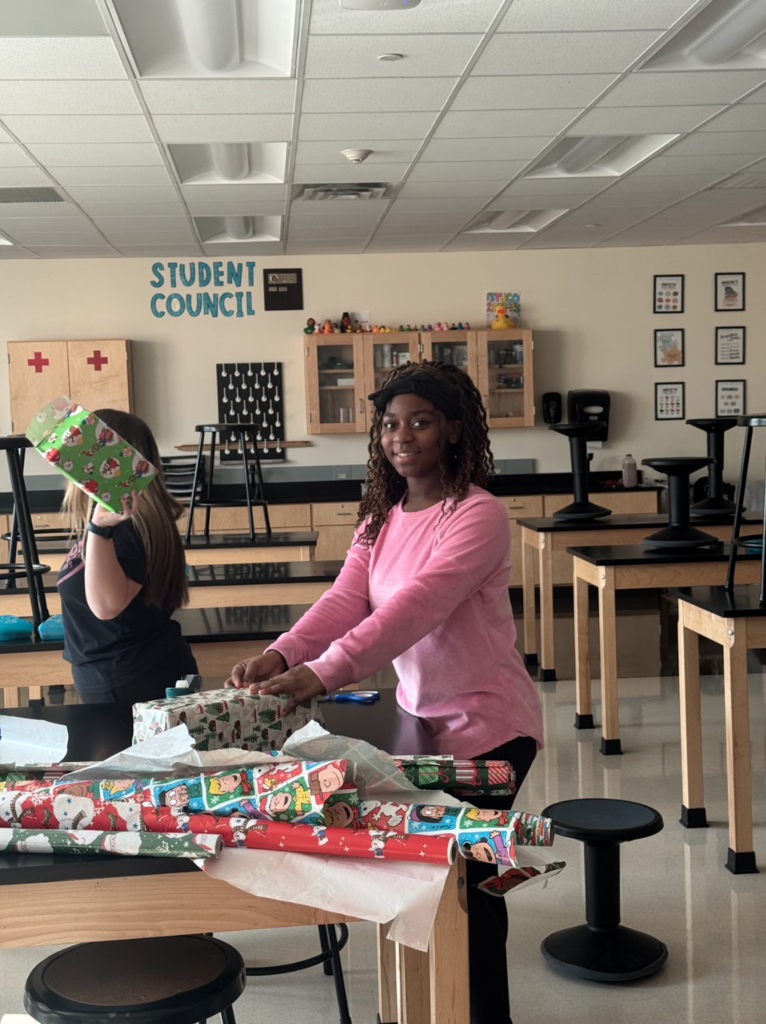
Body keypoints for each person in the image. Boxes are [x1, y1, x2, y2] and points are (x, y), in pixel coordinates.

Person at [226, 360, 543, 1024]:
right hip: (422, 722)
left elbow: (416, 609)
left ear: (454, 431)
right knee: (441, 875)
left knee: (465, 886)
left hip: (492, 729)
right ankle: (430, 1007)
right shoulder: (381, 518)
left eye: (420, 422)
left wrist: (320, 674)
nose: (402, 436)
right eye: (391, 424)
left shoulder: (478, 514)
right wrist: (283, 653)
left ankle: (481, 1014)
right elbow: (347, 600)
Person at [58, 409, 197, 704]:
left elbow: (106, 606)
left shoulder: (125, 528)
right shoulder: (128, 524)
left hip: (127, 683)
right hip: (128, 676)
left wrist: (97, 528)